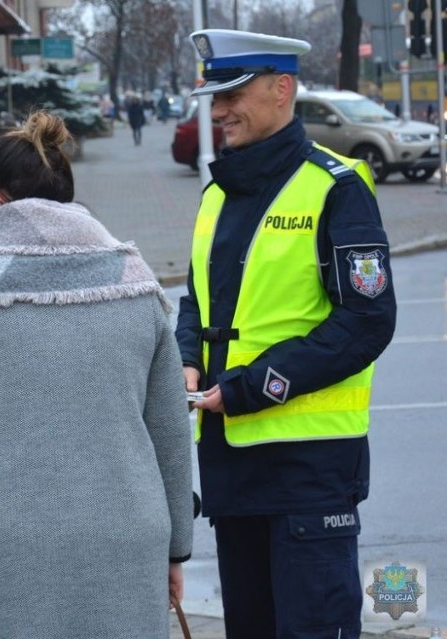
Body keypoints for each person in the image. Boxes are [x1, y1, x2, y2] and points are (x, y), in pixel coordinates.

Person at [0, 110, 194, 638]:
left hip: (1, 551)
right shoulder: (134, 279)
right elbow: (169, 430)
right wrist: (175, 550)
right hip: (124, 540)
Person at [175, 29, 397, 639]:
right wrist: (186, 358)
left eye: (233, 94)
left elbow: (367, 321)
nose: (218, 111)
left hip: (310, 474)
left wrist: (252, 387)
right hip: (231, 471)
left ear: (282, 89)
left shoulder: (338, 188)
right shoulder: (216, 194)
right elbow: (195, 303)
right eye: (214, 97)